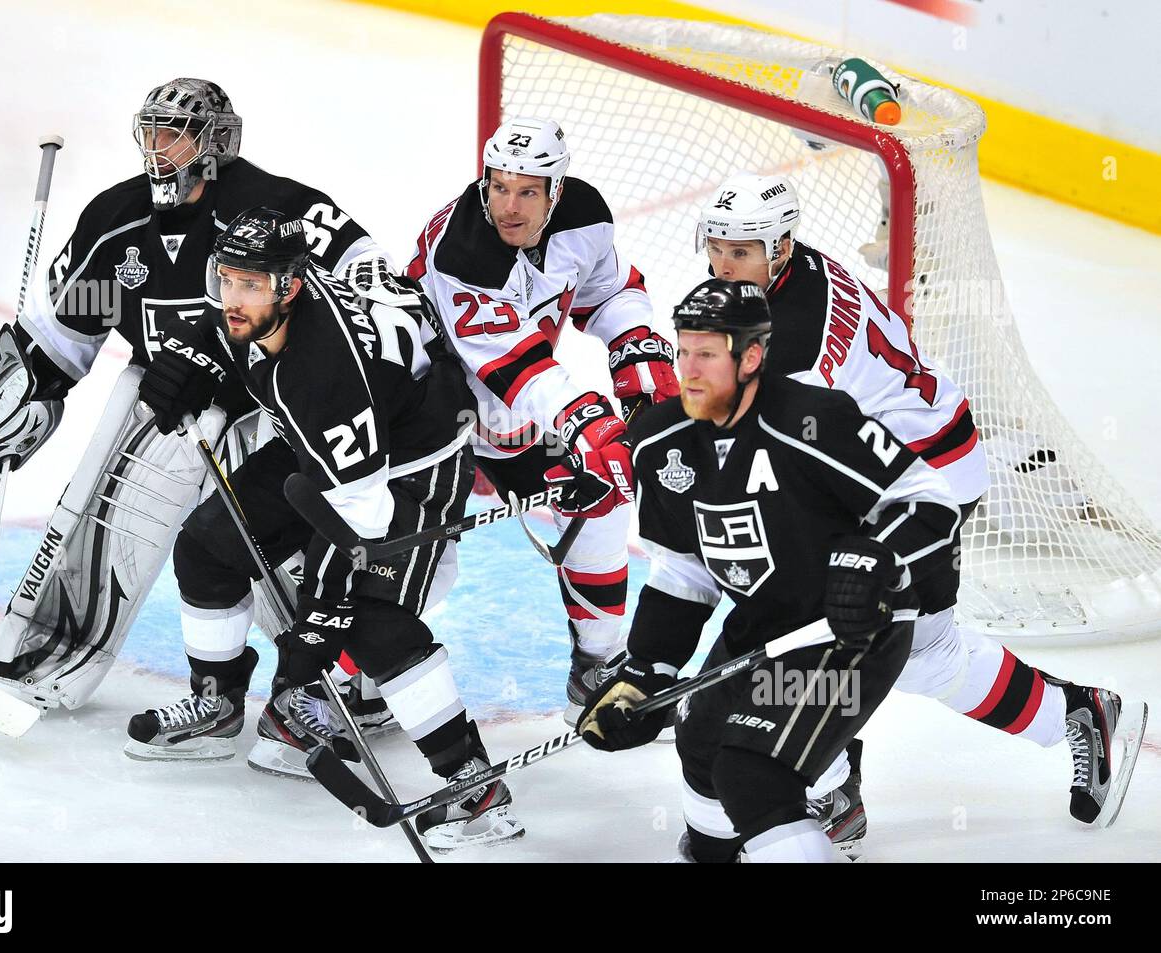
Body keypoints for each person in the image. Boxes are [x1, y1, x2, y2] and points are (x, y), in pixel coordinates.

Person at [693, 172, 1140, 845]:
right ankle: (1075, 714)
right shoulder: (789, 280)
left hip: (921, 481)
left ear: (781, 248)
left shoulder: (793, 344)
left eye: (743, 251)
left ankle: (828, 783)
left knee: (832, 631)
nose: (725, 264)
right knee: (913, 650)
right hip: (912, 454)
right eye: (719, 246)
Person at [0, 78, 389, 724]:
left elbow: (360, 263)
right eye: (152, 131)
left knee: (265, 543)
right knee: (111, 523)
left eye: (177, 133)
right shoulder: (116, 224)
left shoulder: (264, 206)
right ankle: (60, 649)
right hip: (165, 397)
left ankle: (352, 674)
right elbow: (63, 330)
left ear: (216, 142)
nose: (160, 147)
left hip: (267, 399)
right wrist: (18, 397)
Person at [128, 208, 523, 850]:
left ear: (291, 286)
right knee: (207, 547)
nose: (234, 296)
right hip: (331, 446)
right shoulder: (262, 313)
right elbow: (228, 336)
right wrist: (194, 367)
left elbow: (360, 526)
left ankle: (474, 787)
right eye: (227, 279)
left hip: (413, 465)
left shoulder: (322, 375)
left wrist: (323, 616)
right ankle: (219, 701)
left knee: (369, 622)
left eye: (251, 284)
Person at [577, 279, 961, 862]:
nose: (689, 369)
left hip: (852, 629)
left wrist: (873, 558)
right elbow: (686, 572)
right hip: (765, 622)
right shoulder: (661, 440)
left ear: (751, 355)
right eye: (683, 351)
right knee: (701, 744)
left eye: (708, 354)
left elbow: (929, 500)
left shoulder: (813, 418)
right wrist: (648, 670)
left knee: (752, 770)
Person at [401, 117, 680, 724]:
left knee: (600, 503)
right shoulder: (462, 249)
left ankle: (598, 667)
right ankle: (339, 688)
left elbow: (608, 292)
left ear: (555, 191)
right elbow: (513, 365)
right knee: (422, 566)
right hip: (428, 414)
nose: (509, 205)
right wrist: (589, 421)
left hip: (512, 419)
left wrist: (639, 351)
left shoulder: (584, 215)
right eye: (499, 187)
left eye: (528, 191)